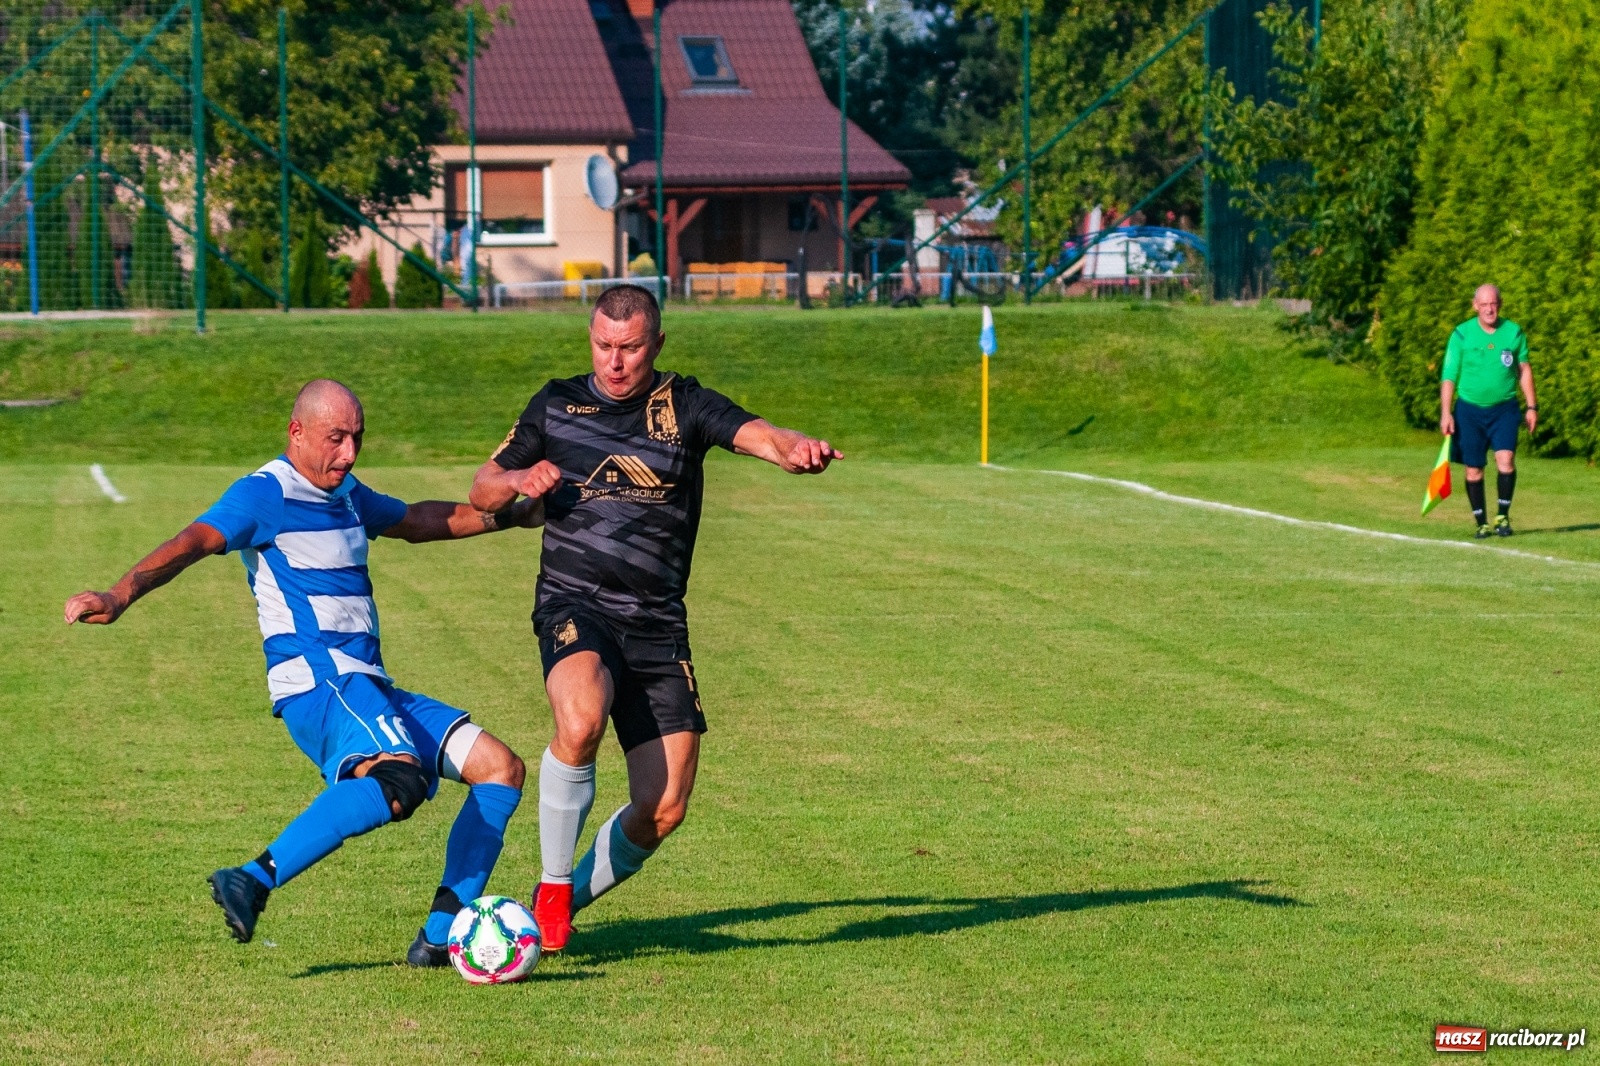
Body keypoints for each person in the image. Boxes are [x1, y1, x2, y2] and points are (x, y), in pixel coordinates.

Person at [63, 379, 540, 965]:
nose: (349, 453)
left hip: (363, 681)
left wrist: (514, 517)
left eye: (357, 438)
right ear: (297, 433)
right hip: (320, 681)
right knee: (400, 780)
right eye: (336, 438)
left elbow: (415, 520)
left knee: (500, 769)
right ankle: (251, 879)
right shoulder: (265, 493)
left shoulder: (346, 493)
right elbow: (191, 541)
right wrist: (119, 594)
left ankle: (440, 939)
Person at [469, 284, 842, 953]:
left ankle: (557, 905)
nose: (615, 362)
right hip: (575, 604)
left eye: (631, 348)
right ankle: (552, 889)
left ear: (657, 344)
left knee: (663, 808)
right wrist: (518, 482)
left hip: (657, 624)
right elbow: (483, 486)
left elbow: (758, 434)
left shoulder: (685, 404)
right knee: (580, 719)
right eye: (603, 346)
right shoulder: (556, 403)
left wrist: (793, 448)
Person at [1439, 283, 1536, 538]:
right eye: (1484, 304)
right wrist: (1446, 412)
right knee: (1473, 469)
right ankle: (1481, 522)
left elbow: (1524, 369)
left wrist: (1531, 406)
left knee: (1506, 460)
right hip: (1469, 412)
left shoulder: (1513, 332)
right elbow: (1449, 375)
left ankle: (1502, 517)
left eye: (1493, 303)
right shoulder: (1461, 334)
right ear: (1475, 306)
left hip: (1504, 409)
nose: (1489, 309)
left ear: (1500, 304)